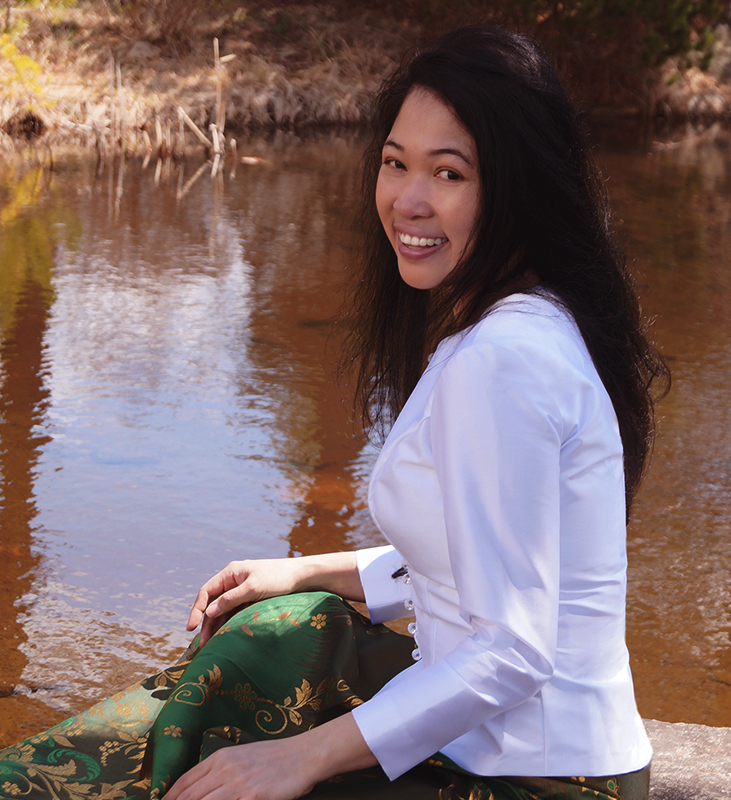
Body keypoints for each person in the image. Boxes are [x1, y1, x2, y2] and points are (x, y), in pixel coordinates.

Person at [0, 25, 667, 800]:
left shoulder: (505, 360)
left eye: (449, 173)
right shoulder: (522, 320)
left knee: (223, 741)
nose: (407, 201)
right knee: (281, 630)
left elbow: (512, 650)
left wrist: (300, 758)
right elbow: (473, 566)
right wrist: (307, 569)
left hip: (536, 775)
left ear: (520, 187)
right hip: (516, 740)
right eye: (395, 163)